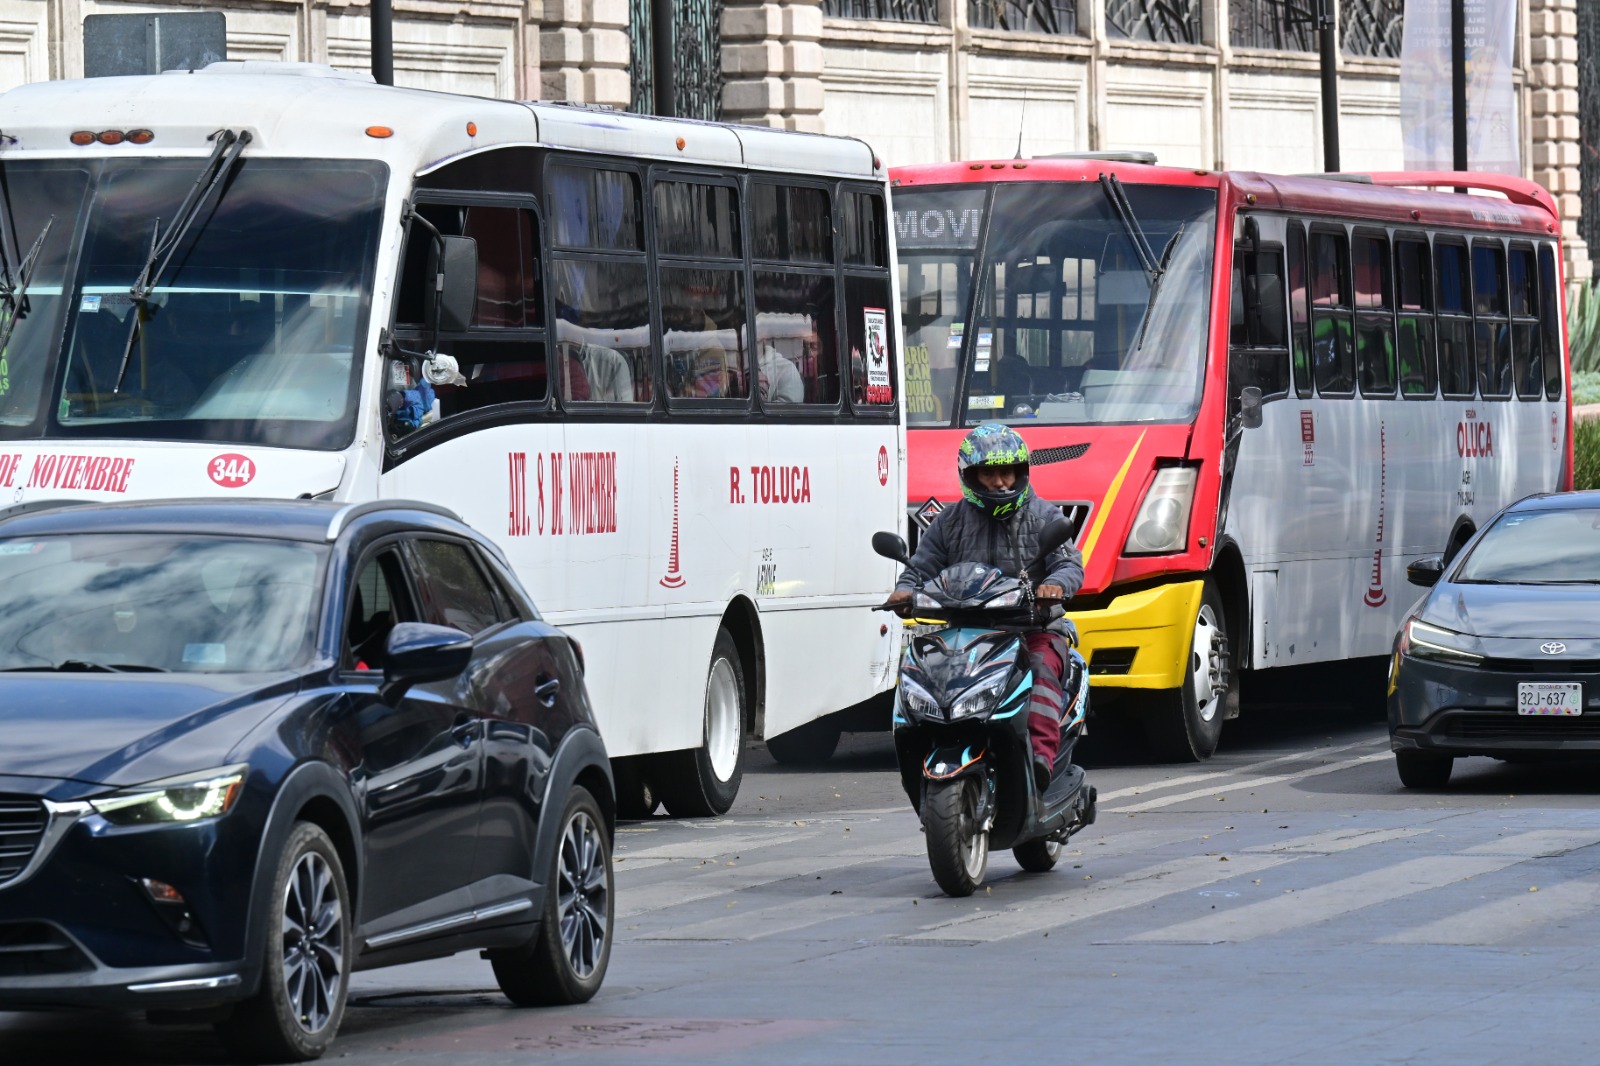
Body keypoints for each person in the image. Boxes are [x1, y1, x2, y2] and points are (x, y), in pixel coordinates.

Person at [886, 422, 1084, 792]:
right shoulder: (949, 522)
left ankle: (1040, 761)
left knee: (1041, 669)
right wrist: (905, 591)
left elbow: (1069, 564)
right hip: (967, 632)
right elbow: (922, 566)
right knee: (924, 670)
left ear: (1020, 472)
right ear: (971, 476)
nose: (999, 482)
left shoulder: (1044, 516)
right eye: (989, 473)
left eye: (1006, 472)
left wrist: (1055, 585)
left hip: (1031, 628)